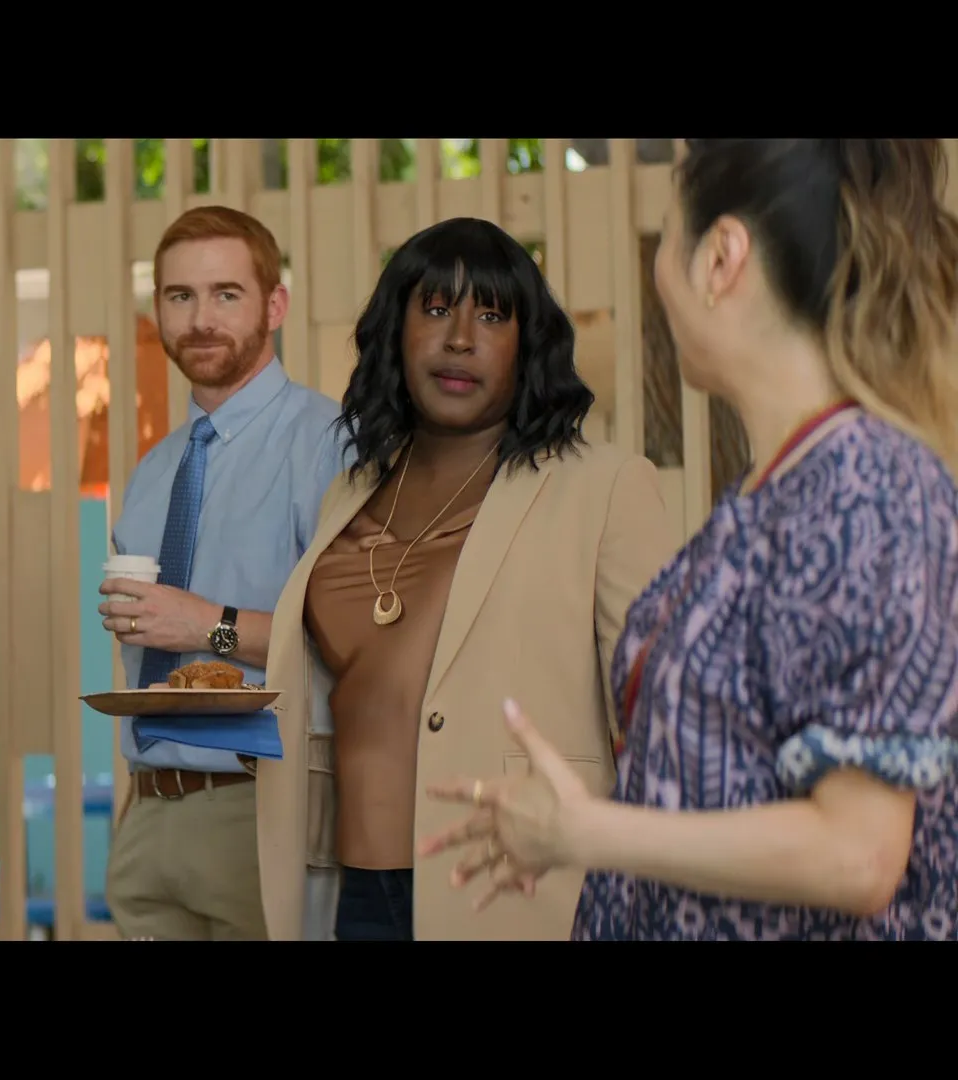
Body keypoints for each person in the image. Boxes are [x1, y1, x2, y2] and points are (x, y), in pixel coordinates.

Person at [419, 139, 958, 941]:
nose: (658, 271)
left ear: (721, 259)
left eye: (668, 236)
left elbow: (859, 856)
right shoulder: (777, 488)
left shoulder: (867, 486)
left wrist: (591, 834)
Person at [251, 216, 677, 941]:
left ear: (527, 343)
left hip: (519, 882)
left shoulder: (604, 487)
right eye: (436, 308)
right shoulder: (349, 492)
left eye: (491, 315)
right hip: (355, 888)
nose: (459, 339)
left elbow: (663, 717)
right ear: (397, 331)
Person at [95, 205, 349, 940]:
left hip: (263, 801)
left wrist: (208, 625)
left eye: (226, 294)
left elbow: (353, 637)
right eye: (180, 296)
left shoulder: (329, 447)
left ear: (275, 306)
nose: (201, 318)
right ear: (158, 310)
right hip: (150, 811)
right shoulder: (153, 473)